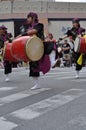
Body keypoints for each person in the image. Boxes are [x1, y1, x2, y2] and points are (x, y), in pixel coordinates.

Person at [19, 12, 58, 90]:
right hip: (32, 49)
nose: (27, 19)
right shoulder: (28, 28)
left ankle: (53, 62)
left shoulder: (39, 25)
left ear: (33, 18)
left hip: (40, 45)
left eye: (29, 18)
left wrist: (22, 35)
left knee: (51, 44)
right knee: (33, 67)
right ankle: (37, 84)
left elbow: (34, 32)